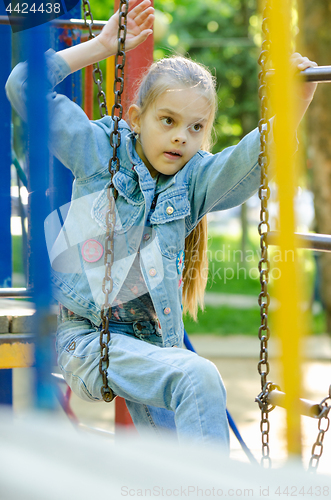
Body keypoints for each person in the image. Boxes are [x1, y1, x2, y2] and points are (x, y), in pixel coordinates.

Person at [6, 0, 318, 451]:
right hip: (90, 340)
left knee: (175, 459)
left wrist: (295, 103)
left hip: (154, 345)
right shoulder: (100, 152)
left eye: (195, 128)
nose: (180, 137)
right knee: (197, 375)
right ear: (136, 120)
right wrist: (100, 46)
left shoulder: (194, 181)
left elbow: (251, 160)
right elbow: (23, 86)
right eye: (168, 121)